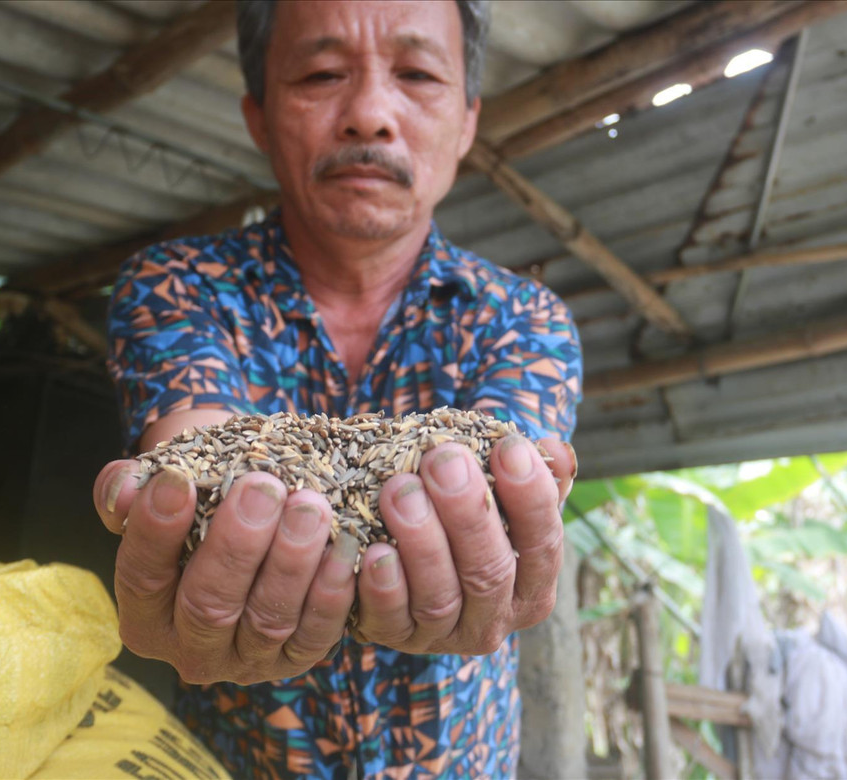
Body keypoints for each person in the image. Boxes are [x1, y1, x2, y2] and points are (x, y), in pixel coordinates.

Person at [91, 1, 583, 776]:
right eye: (321, 74)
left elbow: (501, 475)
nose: (369, 116)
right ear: (258, 116)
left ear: (465, 121)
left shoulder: (525, 318)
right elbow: (192, 447)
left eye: (418, 74)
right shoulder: (178, 286)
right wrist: (190, 521)